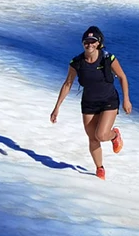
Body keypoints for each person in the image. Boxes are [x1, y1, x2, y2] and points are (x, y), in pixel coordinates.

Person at [50, 25, 132, 179]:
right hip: (89, 103)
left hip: (108, 101)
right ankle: (100, 169)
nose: (89, 44)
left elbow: (122, 77)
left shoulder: (108, 58)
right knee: (92, 138)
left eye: (93, 41)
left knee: (101, 135)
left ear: (99, 43)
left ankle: (114, 135)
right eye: (86, 42)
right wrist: (57, 108)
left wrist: (126, 100)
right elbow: (67, 84)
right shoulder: (77, 62)